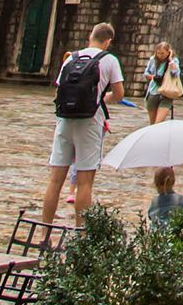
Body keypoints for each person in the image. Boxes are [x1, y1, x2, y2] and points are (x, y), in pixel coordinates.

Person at [41, 23, 124, 225]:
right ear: (108, 41)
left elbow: (59, 90)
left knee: (55, 181)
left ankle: (44, 233)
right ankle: (81, 237)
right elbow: (119, 94)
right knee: (85, 183)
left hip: (64, 120)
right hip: (90, 121)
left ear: (90, 36)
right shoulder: (109, 60)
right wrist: (103, 98)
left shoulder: (72, 57)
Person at [142, 39, 182, 124]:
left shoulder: (173, 61)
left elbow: (176, 73)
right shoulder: (152, 60)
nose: (160, 55)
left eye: (163, 53)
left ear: (168, 52)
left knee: (158, 123)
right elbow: (146, 73)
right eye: (158, 53)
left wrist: (170, 60)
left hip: (167, 94)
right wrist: (154, 77)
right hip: (153, 92)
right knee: (152, 124)